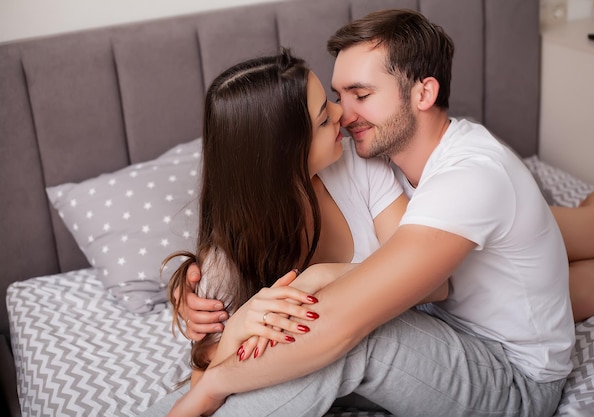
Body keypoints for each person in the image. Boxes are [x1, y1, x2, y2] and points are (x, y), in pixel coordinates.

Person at [150, 9, 594, 417]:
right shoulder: (352, 159)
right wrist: (223, 333)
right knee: (569, 286)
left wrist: (216, 385)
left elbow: (348, 318)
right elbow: (216, 344)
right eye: (333, 102)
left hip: (502, 365)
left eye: (360, 95)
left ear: (422, 93)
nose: (342, 113)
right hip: (447, 315)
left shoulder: (456, 177)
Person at [162, 49, 448, 388]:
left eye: (328, 102)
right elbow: (207, 378)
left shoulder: (360, 166)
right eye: (324, 119)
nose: (342, 113)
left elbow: (431, 282)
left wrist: (322, 276)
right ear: (284, 154)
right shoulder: (225, 265)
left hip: (395, 360)